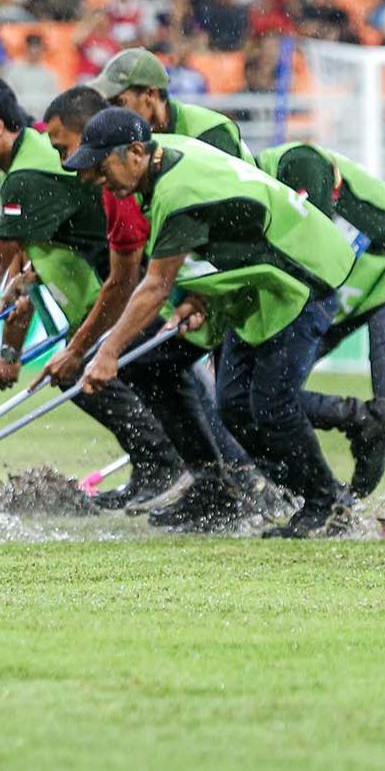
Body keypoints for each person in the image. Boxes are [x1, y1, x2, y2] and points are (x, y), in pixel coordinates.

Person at [66, 110, 357, 537]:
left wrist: (107, 354)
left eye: (100, 166)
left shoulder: (178, 190)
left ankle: (326, 504)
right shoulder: (168, 158)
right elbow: (225, 225)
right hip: (256, 287)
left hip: (303, 278)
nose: (94, 178)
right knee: (235, 407)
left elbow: (155, 286)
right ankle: (303, 495)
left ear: (135, 153)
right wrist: (199, 296)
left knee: (272, 404)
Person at [0, 75, 194, 505]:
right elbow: (18, 264)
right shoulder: (28, 156)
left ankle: (170, 469)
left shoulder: (29, 174)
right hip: (114, 287)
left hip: (126, 287)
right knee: (105, 375)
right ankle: (166, 471)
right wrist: (9, 353)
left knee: (86, 370)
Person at [40, 85, 278, 523]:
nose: (81, 172)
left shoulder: (143, 179)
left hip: (241, 287)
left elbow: (136, 282)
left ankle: (253, 487)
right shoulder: (123, 182)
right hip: (197, 294)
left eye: (76, 153)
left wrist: (92, 351)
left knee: (233, 396)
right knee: (179, 375)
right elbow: (131, 278)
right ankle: (215, 484)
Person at [256, 142, 385, 495]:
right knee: (269, 393)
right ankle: (328, 486)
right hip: (338, 285)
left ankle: (355, 444)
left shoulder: (295, 165)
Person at [92, 48, 253, 162]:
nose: (112, 113)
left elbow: (230, 202)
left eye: (120, 102)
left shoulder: (209, 132)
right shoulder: (134, 138)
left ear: (150, 94)